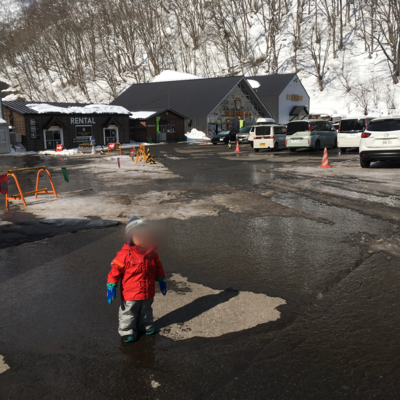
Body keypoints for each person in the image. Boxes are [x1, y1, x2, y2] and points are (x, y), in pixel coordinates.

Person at [106, 215, 167, 343]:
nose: (144, 239)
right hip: (130, 293)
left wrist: (161, 279)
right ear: (130, 238)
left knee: (146, 310)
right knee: (128, 312)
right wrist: (111, 285)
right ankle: (127, 331)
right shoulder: (124, 255)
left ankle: (146, 326)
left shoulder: (152, 254)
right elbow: (115, 271)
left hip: (147, 290)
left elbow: (158, 267)